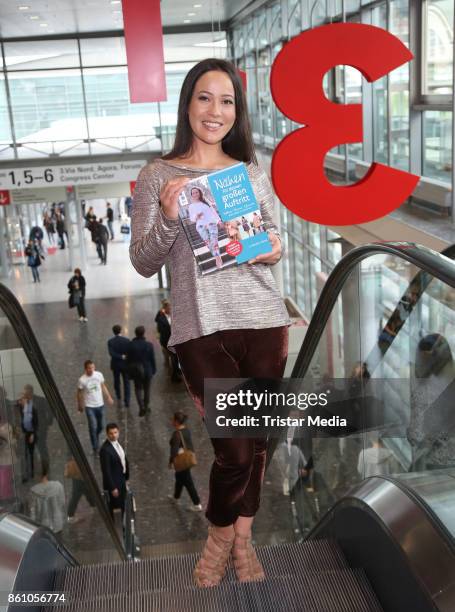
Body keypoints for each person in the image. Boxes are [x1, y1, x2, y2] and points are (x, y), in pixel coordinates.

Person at [130, 58, 289, 587]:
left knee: (258, 443)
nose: (215, 111)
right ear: (188, 104)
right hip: (202, 327)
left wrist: (269, 249)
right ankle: (221, 537)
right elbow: (143, 261)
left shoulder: (248, 172)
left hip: (265, 319)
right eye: (205, 98)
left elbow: (276, 238)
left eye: (227, 101)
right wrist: (173, 218)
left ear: (237, 112)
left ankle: (241, 543)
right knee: (235, 450)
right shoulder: (158, 175)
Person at [77, 360, 114, 454]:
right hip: (90, 406)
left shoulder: (98, 375)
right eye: (89, 368)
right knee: (93, 426)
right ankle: (95, 446)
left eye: (93, 367)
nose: (91, 370)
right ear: (85, 369)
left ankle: (95, 436)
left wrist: (108, 397)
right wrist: (80, 405)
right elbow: (79, 393)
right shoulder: (82, 380)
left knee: (101, 425)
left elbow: (103, 386)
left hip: (100, 404)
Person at [168, 411, 201, 511]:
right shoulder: (186, 430)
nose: (171, 421)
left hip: (181, 461)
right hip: (187, 458)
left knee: (188, 482)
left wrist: (170, 461)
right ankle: (176, 497)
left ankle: (197, 504)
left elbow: (174, 450)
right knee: (179, 478)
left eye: (173, 419)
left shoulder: (177, 434)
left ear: (177, 421)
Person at [188, 186, 223, 269]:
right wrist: (197, 216)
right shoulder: (191, 206)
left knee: (214, 241)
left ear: (199, 192)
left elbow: (213, 212)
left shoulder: (206, 202)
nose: (195, 194)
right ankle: (217, 257)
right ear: (191, 195)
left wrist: (219, 221)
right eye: (193, 193)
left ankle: (218, 258)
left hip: (211, 223)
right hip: (201, 226)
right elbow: (192, 219)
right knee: (208, 242)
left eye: (196, 192)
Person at [99, 423, 129, 518]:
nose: (114, 435)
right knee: (113, 505)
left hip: (121, 479)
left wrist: (126, 476)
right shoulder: (105, 450)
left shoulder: (117, 444)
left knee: (123, 503)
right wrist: (112, 487)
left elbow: (123, 459)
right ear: (107, 434)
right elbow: (106, 471)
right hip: (114, 483)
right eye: (111, 433)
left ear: (118, 432)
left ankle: (124, 520)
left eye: (115, 432)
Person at [126, 326, 156, 417]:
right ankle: (146, 406)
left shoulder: (130, 345)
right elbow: (152, 359)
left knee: (138, 388)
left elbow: (128, 359)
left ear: (135, 333)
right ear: (143, 333)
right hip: (147, 370)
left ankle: (141, 406)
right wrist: (153, 370)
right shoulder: (149, 345)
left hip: (136, 371)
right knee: (147, 389)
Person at [29, 462, 66, 536]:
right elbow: (62, 503)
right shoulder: (58, 486)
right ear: (47, 472)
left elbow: (32, 512)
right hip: (58, 524)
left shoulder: (33, 491)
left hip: (43, 526)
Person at [154, 300, 181, 382]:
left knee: (176, 357)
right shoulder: (161, 318)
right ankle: (174, 375)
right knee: (173, 357)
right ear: (164, 308)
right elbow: (160, 330)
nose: (170, 309)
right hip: (167, 341)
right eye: (168, 308)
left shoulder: (174, 316)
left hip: (176, 340)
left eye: (171, 307)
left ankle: (176, 371)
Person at [65, 456, 96, 523]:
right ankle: (70, 516)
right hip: (80, 476)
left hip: (78, 476)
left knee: (84, 494)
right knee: (78, 496)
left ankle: (93, 506)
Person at [16, 388, 38, 483]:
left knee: (30, 454)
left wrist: (33, 434)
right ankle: (25, 474)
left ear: (26, 399)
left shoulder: (32, 408)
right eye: (19, 399)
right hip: (23, 434)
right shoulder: (20, 408)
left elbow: (36, 422)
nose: (20, 401)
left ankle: (31, 473)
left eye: (22, 399)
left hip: (30, 433)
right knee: (24, 455)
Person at [107, 325, 131, 408]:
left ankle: (118, 395)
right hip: (125, 365)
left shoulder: (110, 341)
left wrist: (120, 356)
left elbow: (111, 353)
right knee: (126, 383)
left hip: (115, 364)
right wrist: (124, 357)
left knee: (116, 381)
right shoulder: (127, 340)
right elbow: (130, 352)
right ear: (121, 330)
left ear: (113, 332)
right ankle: (127, 400)